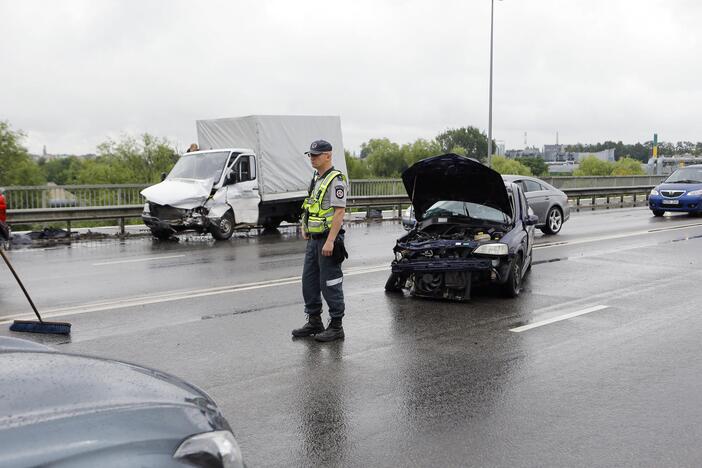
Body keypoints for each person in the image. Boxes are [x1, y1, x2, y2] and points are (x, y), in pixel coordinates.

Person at [292, 139, 348, 342]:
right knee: (309, 282)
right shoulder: (316, 178)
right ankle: (314, 321)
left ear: (328, 155)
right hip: (314, 240)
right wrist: (304, 227)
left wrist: (331, 240)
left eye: (316, 155)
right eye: (311, 155)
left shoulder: (336, 179)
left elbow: (339, 212)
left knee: (330, 282)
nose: (312, 159)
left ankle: (336, 326)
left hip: (328, 240)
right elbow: (309, 205)